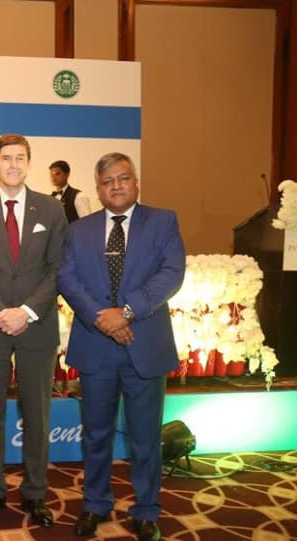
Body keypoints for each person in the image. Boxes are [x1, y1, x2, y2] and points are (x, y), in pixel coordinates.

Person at [57, 152, 185, 541]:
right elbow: (67, 277)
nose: (116, 185)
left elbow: (172, 273)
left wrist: (126, 313)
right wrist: (103, 319)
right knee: (96, 434)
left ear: (136, 182)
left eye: (123, 178)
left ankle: (146, 510)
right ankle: (96, 503)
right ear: (98, 189)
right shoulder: (78, 230)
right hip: (97, 345)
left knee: (145, 437)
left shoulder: (163, 221)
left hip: (144, 343)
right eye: (107, 180)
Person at [0, 133, 67, 528]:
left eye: (21, 157)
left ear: (29, 163)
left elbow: (58, 269)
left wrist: (26, 311)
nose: (14, 164)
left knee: (37, 413)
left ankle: (36, 493)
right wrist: (0, 313)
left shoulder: (51, 210)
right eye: (6, 158)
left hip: (37, 325)